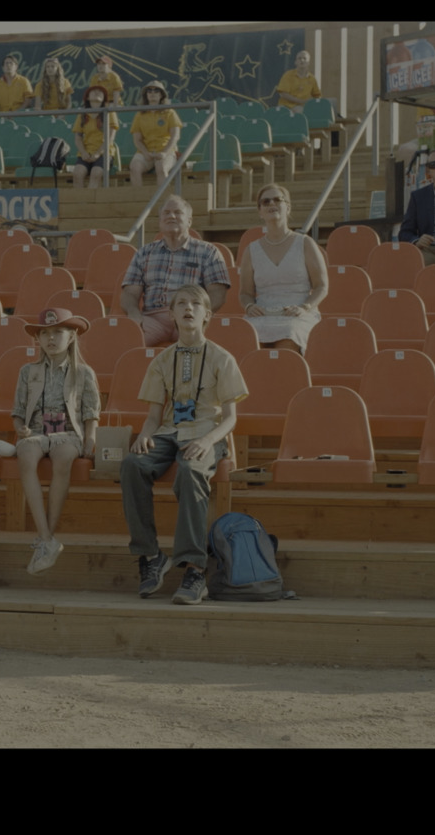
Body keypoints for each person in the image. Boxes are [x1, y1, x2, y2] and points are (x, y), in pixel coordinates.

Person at [121, 284, 248, 605]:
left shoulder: (222, 358)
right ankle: (150, 555)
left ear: (207, 314)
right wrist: (144, 434)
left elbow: (230, 418)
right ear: (171, 314)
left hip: (206, 433)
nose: (188, 308)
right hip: (169, 433)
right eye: (181, 303)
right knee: (133, 465)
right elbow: (153, 416)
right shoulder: (162, 360)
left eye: (195, 304)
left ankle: (194, 568)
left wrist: (207, 440)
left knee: (190, 470)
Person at [9, 307, 99, 575]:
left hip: (68, 433)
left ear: (71, 336)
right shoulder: (28, 371)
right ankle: (46, 538)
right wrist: (21, 429)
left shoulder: (84, 372)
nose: (50, 338)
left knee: (63, 460)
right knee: (25, 457)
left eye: (57, 332)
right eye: (44, 333)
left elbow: (90, 413)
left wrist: (90, 440)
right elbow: (17, 411)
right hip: (36, 432)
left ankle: (47, 537)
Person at [120, 194, 231, 346]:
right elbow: (130, 293)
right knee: (126, 344)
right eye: (166, 213)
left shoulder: (209, 252)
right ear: (160, 221)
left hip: (191, 318)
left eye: (178, 212)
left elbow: (218, 294)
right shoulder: (144, 253)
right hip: (153, 319)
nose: (171, 216)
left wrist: (196, 316)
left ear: (189, 221)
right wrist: (133, 313)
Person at [239, 184, 328, 353]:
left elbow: (321, 286)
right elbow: (245, 293)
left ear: (288, 207)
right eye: (266, 201)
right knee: (247, 336)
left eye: (277, 199)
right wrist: (249, 307)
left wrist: (304, 308)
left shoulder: (305, 243)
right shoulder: (251, 250)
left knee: (289, 335)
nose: (272, 204)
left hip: (298, 313)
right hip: (263, 314)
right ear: (260, 211)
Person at [129, 80, 181, 187]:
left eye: (156, 90)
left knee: (161, 167)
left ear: (161, 95)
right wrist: (145, 153)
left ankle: (162, 201)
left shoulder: (169, 112)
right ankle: (140, 200)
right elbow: (137, 139)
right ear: (146, 95)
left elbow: (175, 136)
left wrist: (165, 152)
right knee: (134, 167)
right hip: (146, 152)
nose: (152, 93)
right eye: (149, 91)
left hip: (166, 151)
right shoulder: (139, 114)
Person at [71, 84, 119, 189]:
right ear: (87, 97)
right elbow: (78, 138)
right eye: (93, 91)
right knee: (77, 174)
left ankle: (91, 203)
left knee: (96, 173)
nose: (97, 92)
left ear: (104, 98)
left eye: (100, 92)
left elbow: (110, 138)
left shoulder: (109, 113)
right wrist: (83, 152)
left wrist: (98, 153)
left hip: (104, 153)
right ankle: (81, 203)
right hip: (86, 153)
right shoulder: (82, 114)